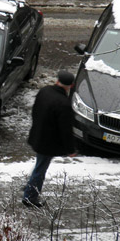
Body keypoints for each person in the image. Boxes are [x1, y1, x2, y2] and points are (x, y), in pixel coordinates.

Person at [22, 70, 78, 208]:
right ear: (71, 86)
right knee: (41, 168)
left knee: (39, 164)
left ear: (57, 81)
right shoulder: (64, 103)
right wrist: (70, 149)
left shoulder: (45, 91)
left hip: (38, 135)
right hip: (48, 143)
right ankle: (30, 197)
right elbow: (66, 130)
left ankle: (29, 187)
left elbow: (35, 110)